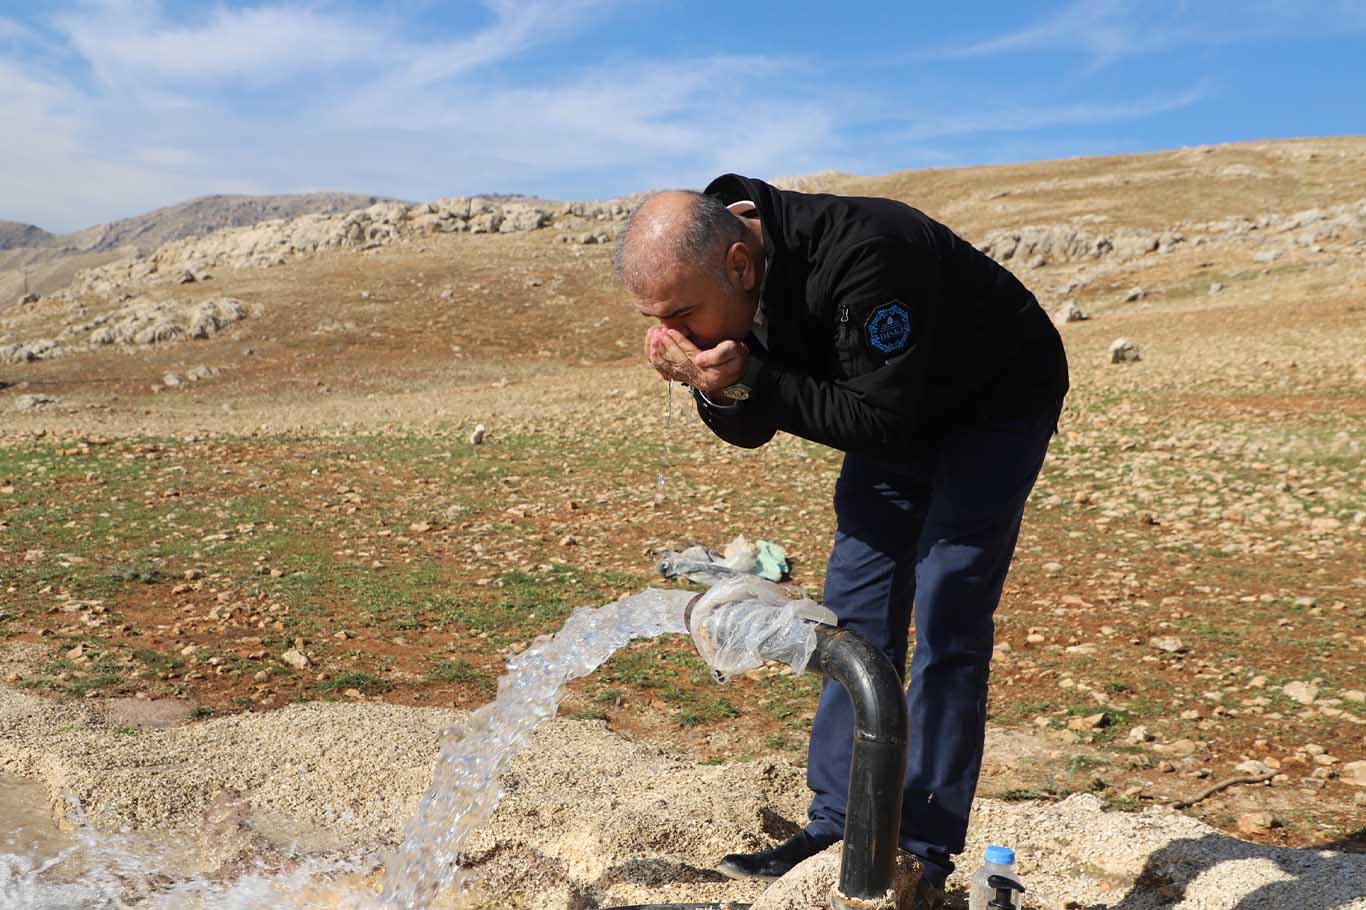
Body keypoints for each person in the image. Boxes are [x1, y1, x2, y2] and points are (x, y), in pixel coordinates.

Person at [614, 175, 1068, 909]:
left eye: (683, 315)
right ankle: (838, 827)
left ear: (739, 264)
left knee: (950, 609)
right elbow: (753, 426)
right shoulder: (722, 281)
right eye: (655, 319)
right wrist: (716, 383)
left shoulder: (867, 254)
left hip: (994, 403)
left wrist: (750, 375)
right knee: (855, 606)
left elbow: (879, 424)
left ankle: (922, 845)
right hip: (893, 407)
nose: (674, 334)